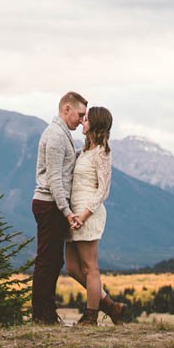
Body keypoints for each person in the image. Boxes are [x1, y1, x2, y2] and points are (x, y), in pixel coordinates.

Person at [31, 91, 87, 324]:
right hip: (49, 204)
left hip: (52, 204)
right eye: (80, 115)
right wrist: (67, 212)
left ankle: (46, 313)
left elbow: (64, 164)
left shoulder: (62, 135)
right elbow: (55, 178)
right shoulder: (55, 135)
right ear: (67, 109)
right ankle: (42, 316)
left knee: (53, 260)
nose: (82, 120)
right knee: (47, 260)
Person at [65, 106, 125, 325]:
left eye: (87, 119)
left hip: (88, 214)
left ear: (96, 124)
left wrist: (84, 215)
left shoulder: (102, 153)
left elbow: (103, 190)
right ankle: (111, 306)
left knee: (91, 267)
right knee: (72, 268)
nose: (83, 122)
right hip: (73, 216)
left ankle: (91, 317)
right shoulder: (84, 151)